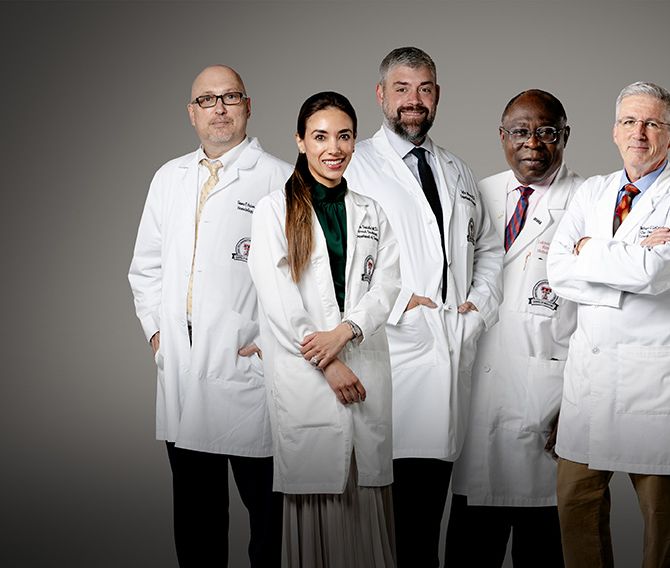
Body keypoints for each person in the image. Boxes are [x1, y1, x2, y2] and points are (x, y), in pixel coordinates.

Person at [345, 46, 502, 567]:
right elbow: (331, 256)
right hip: (388, 351)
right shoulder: (355, 164)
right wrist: (391, 308)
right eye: (403, 89)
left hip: (449, 349)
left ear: (437, 95)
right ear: (380, 95)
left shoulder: (455, 168)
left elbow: (487, 248)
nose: (414, 100)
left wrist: (478, 305)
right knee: (385, 516)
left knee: (428, 508)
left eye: (425, 89)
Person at [128, 65, 290, 567]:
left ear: (248, 106)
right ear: (192, 114)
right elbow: (145, 267)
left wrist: (272, 341)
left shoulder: (280, 177)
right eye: (207, 100)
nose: (219, 108)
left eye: (230, 97)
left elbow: (304, 277)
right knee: (196, 519)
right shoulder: (168, 177)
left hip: (251, 371)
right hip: (182, 369)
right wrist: (159, 336)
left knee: (269, 516)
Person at [547, 81, 670, 568]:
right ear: (614, 132)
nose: (638, 132)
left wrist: (590, 251)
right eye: (628, 122)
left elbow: (656, 273)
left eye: (652, 123)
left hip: (656, 386)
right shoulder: (591, 191)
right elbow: (558, 272)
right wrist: (629, 258)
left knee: (661, 524)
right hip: (590, 383)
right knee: (577, 511)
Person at [247, 91, 402, 568]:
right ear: (300, 141)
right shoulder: (274, 210)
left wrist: (348, 331)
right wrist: (328, 360)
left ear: (355, 142)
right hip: (308, 376)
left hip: (364, 369)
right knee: (316, 498)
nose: (333, 147)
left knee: (363, 498)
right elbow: (278, 300)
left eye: (344, 136)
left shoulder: (371, 210)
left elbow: (389, 283)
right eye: (320, 137)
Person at [446, 89, 583, 567]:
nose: (533, 144)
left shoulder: (589, 203)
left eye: (546, 132)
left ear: (564, 136)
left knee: (544, 551)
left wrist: (580, 404)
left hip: (549, 404)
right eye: (521, 132)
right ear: (502, 137)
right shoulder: (475, 194)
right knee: (468, 552)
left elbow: (603, 319)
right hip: (477, 400)